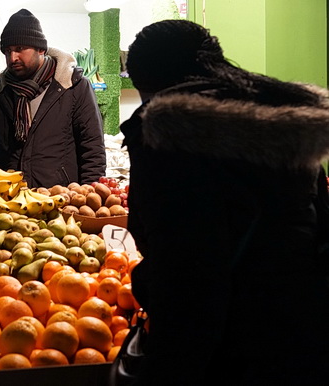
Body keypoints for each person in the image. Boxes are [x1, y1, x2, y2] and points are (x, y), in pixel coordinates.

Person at [119, 20, 329, 385]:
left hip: (226, 357)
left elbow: (187, 281)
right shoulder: (286, 127)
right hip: (304, 344)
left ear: (151, 85)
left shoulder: (167, 142)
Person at [0, 8, 106, 188]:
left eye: (20, 49)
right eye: (7, 51)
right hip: (7, 201)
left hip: (61, 201)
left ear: (41, 49)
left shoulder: (73, 87)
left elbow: (92, 151)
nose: (12, 58)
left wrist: (89, 200)